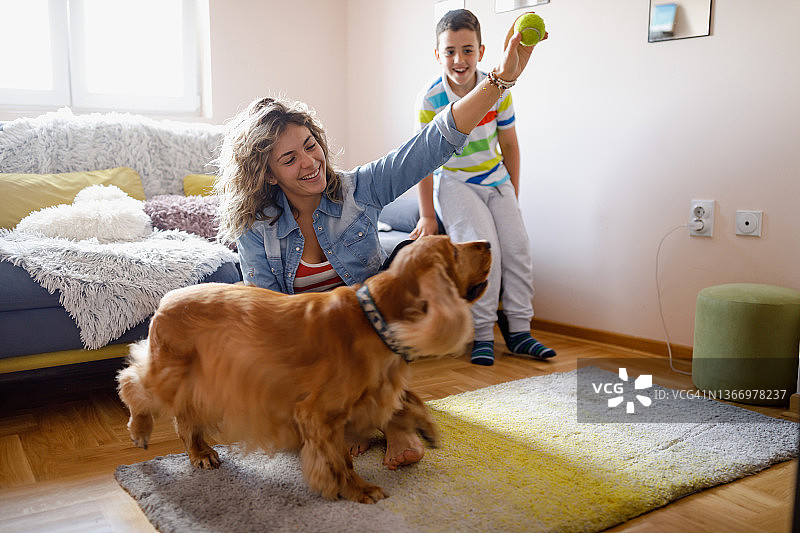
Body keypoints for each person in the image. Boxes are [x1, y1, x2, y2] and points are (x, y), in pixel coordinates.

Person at [213, 18, 537, 470]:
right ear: (268, 175)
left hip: (370, 345)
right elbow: (270, 320)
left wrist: (500, 79)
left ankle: (388, 416)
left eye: (310, 145)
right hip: (309, 350)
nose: (310, 162)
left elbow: (433, 143)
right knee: (293, 421)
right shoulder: (255, 227)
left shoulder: (358, 189)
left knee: (393, 293)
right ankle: (365, 417)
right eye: (289, 158)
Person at [411, 9, 555, 366]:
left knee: (518, 248)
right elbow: (422, 160)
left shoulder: (498, 88)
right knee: (483, 250)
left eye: (467, 50)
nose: (459, 59)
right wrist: (427, 215)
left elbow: (510, 144)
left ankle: (519, 331)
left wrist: (513, 194)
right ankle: (482, 334)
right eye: (450, 51)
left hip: (496, 179)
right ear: (438, 54)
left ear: (481, 51)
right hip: (456, 181)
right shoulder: (431, 98)